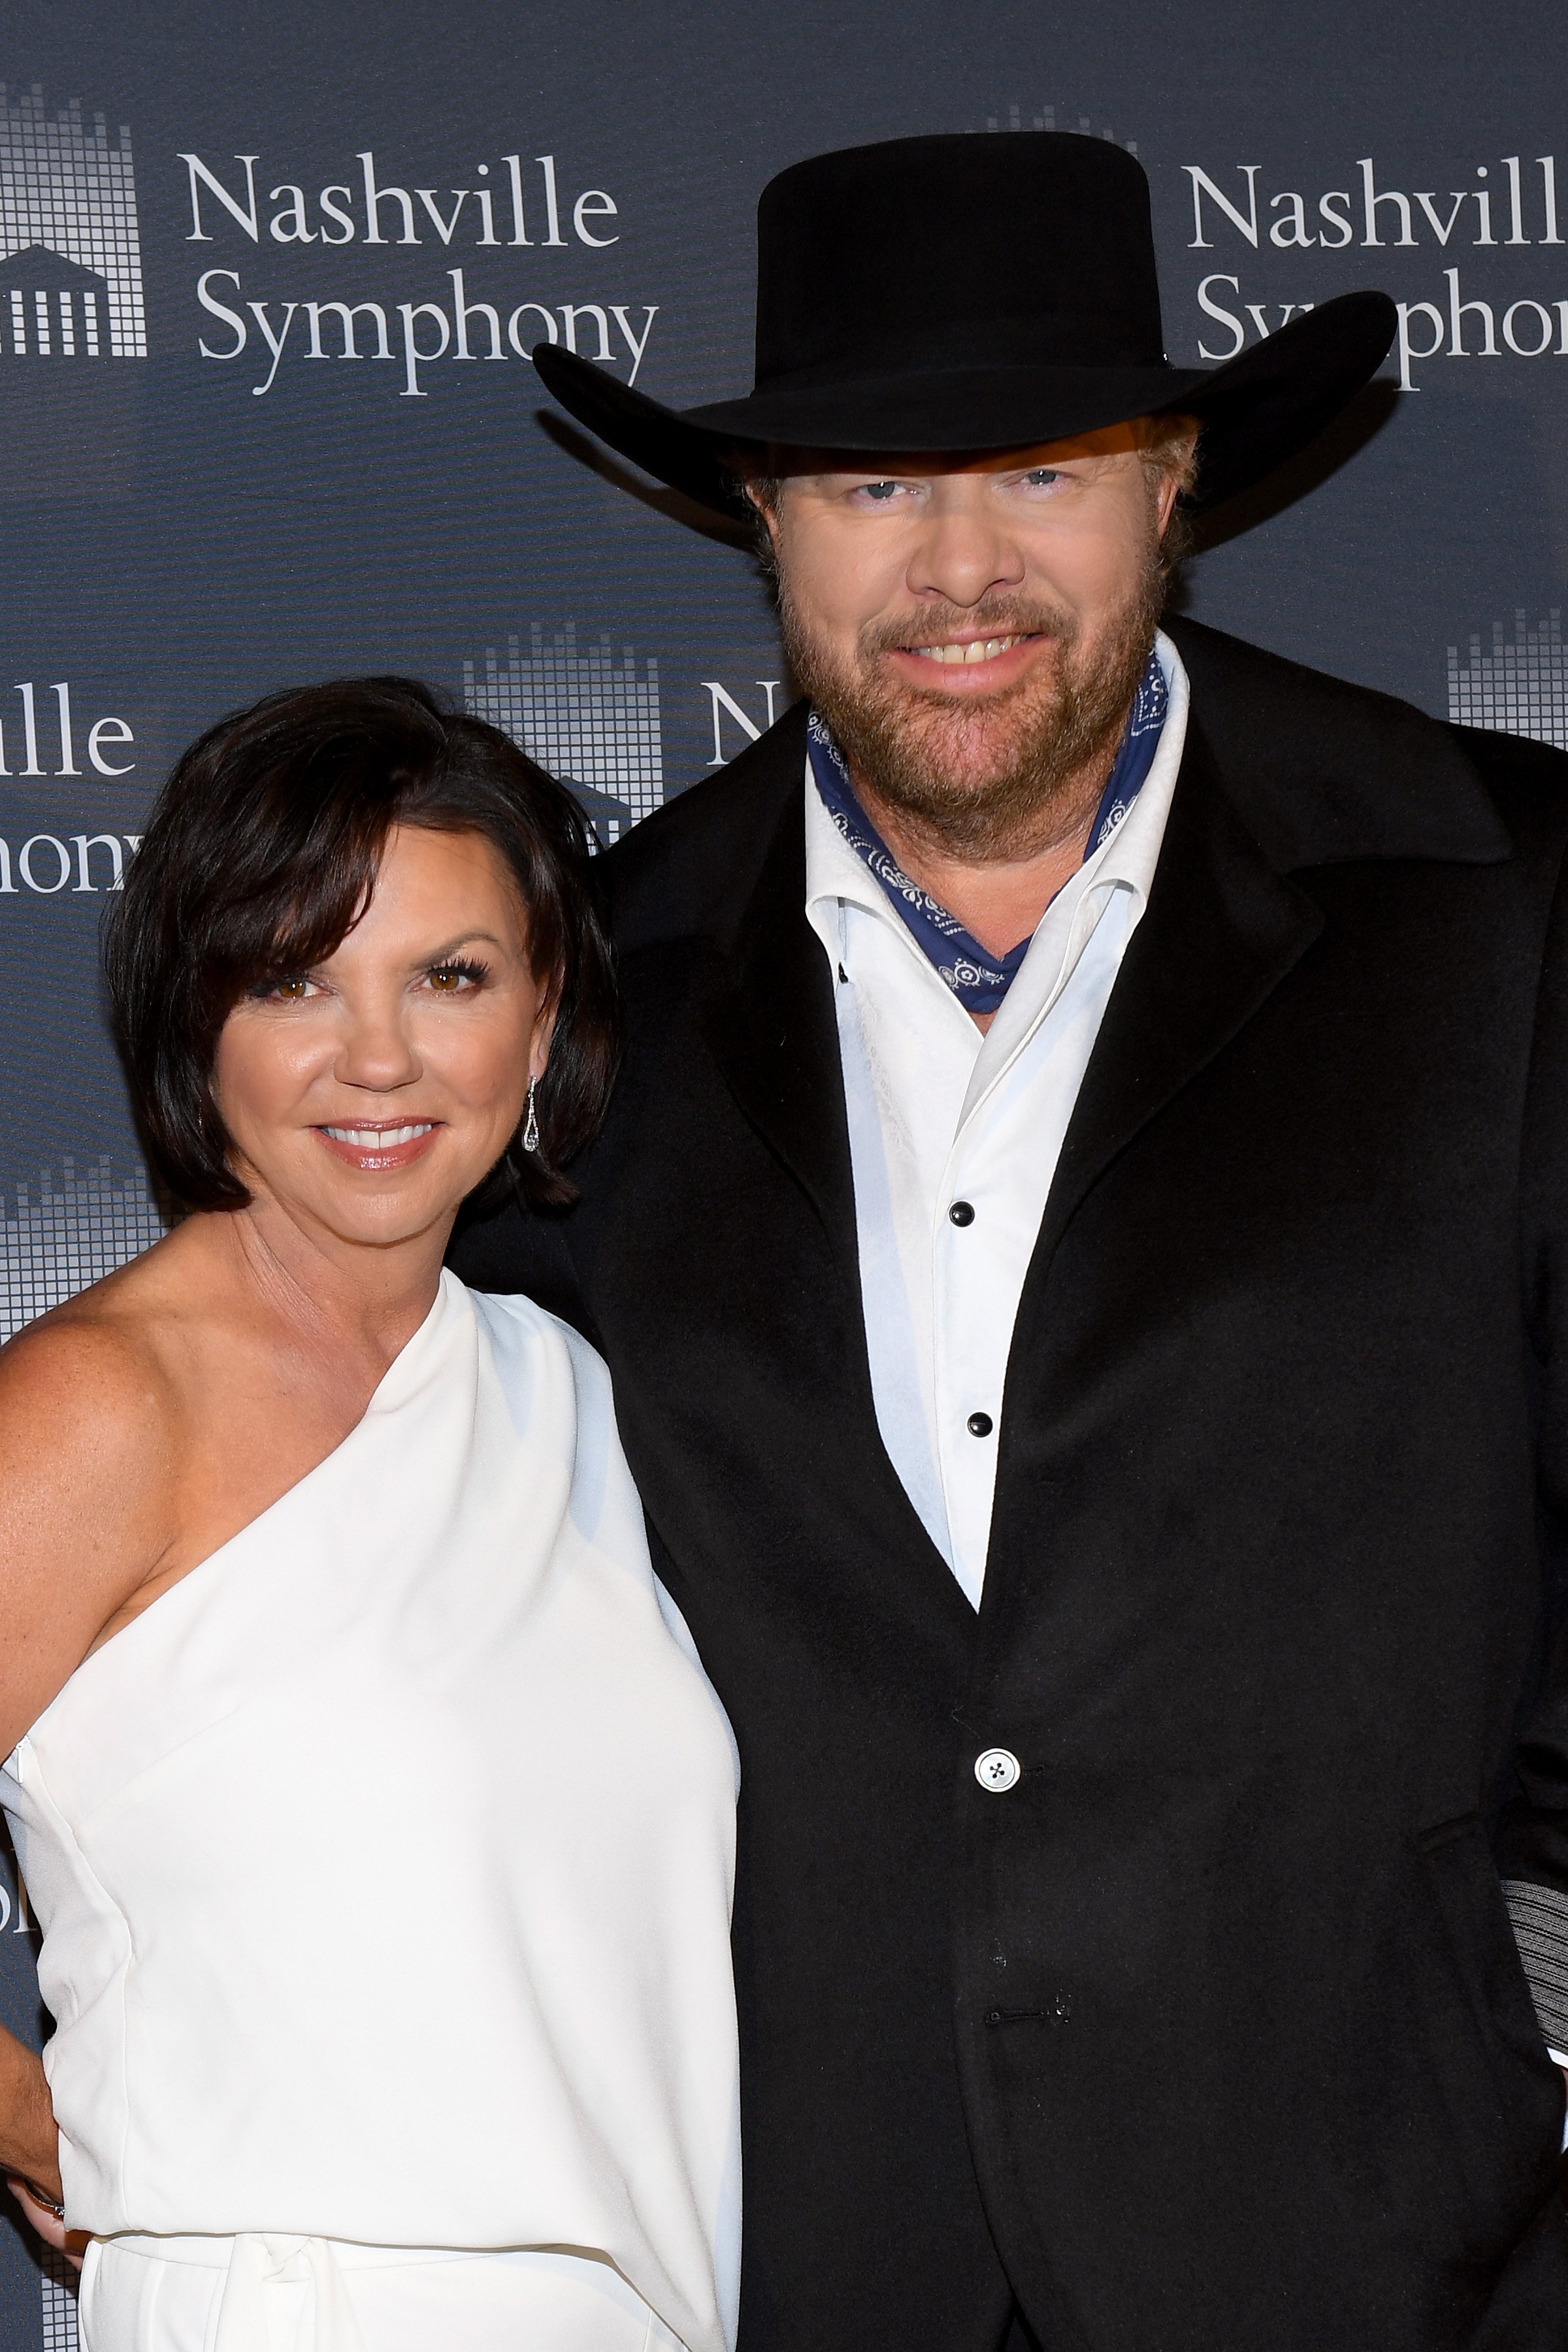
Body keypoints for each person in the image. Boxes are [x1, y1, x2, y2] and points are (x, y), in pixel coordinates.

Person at [451, 129, 1568, 2349]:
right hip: (791, 2263)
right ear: (756, 516)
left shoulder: (1508, 913)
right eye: (873, 490)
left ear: (1176, 483)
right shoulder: (575, 998)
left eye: (1044, 475)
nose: (962, 570)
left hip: (1389, 2260)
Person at [0, 679, 740, 2352]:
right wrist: (59, 2128)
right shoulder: (107, 1409)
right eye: (296, 980)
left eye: (450, 977)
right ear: (200, 1022)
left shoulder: (567, 1395)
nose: (382, 1057)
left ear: (543, 1025)